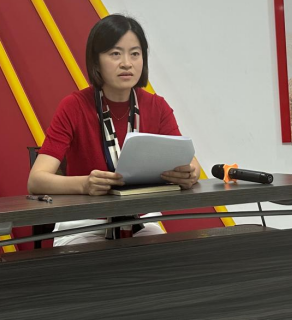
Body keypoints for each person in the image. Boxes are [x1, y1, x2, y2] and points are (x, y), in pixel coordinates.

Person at [28, 14, 200, 245]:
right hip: (84, 222)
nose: (127, 63)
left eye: (135, 54)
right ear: (96, 61)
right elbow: (36, 180)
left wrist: (190, 174)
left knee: (167, 261)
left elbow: (191, 164)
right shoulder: (74, 106)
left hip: (141, 221)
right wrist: (85, 184)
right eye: (115, 54)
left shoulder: (156, 106)